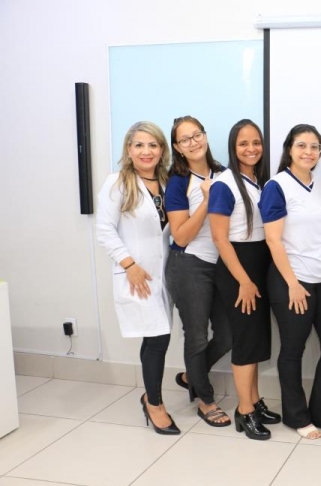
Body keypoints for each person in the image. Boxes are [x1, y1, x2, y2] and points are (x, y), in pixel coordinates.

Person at [259, 124, 321, 440]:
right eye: (302, 145)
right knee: (293, 349)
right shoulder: (277, 186)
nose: (308, 151)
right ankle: (296, 416)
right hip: (291, 281)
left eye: (314, 146)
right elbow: (273, 240)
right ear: (289, 149)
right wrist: (293, 284)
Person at [95, 121, 178, 435]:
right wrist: (129, 264)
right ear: (129, 150)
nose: (147, 151)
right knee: (157, 338)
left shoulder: (169, 182)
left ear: (162, 150)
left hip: (163, 274)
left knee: (157, 335)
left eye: (153, 145)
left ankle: (151, 396)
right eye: (139, 145)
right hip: (136, 274)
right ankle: (154, 404)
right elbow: (104, 230)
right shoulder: (117, 183)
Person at [208, 119, 281, 441]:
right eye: (243, 144)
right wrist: (245, 281)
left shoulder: (258, 181)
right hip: (239, 269)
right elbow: (220, 239)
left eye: (256, 142)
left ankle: (254, 401)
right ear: (232, 148)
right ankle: (244, 411)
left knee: (256, 340)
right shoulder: (225, 184)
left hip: (258, 264)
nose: (251, 149)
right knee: (245, 342)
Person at [164, 116, 232, 427]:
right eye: (185, 139)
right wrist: (205, 202)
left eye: (197, 135)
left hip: (220, 265)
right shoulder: (178, 182)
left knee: (229, 334)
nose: (193, 142)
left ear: (205, 136)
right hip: (189, 264)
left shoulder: (224, 173)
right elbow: (179, 236)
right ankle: (205, 400)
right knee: (197, 336)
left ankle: (192, 374)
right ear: (177, 147)